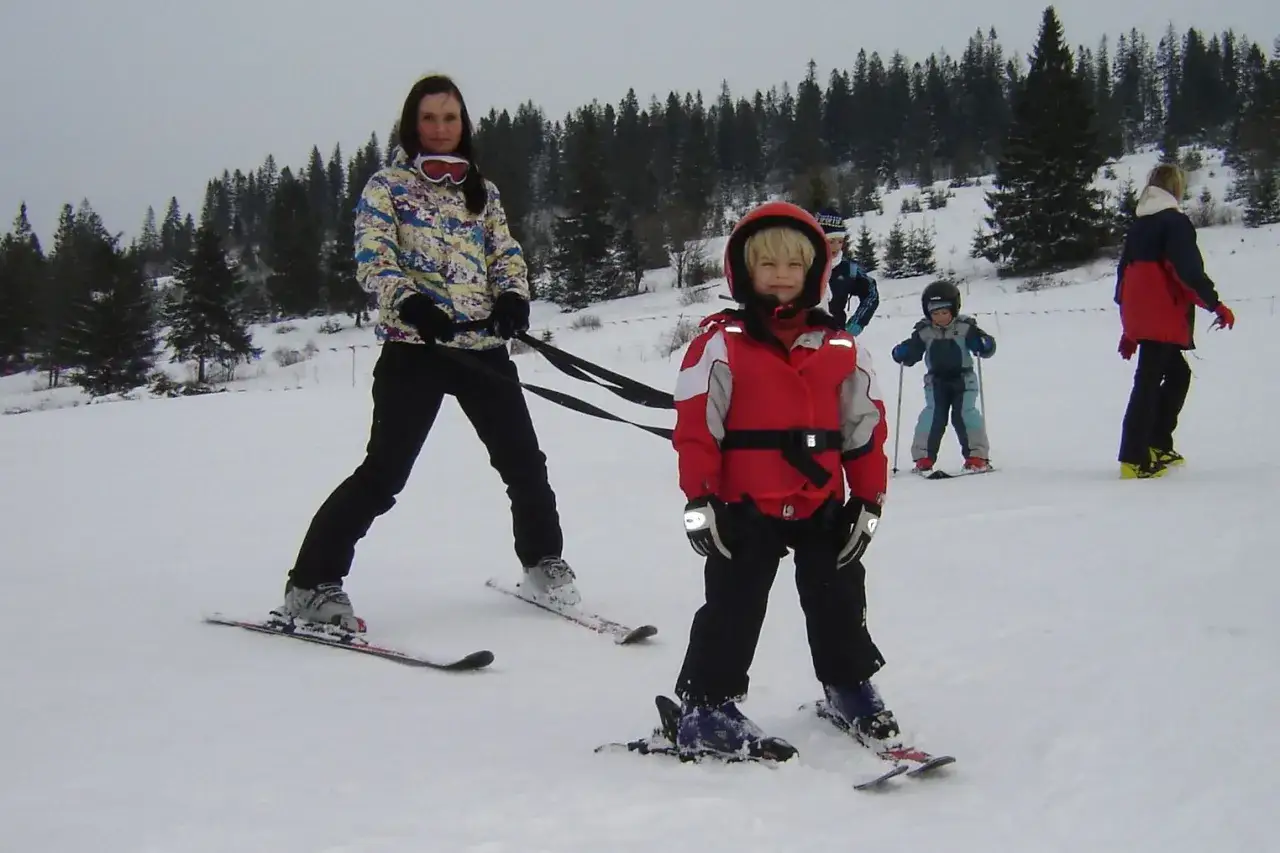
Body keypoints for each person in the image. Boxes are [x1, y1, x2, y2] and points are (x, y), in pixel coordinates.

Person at [275, 74, 579, 632]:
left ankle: (542, 561)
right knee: (383, 474)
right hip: (414, 349)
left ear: (464, 125)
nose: (441, 128)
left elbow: (505, 252)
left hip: (482, 348)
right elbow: (373, 256)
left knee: (523, 464)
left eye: (451, 118)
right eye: (430, 118)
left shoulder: (481, 191)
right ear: (413, 124)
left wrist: (513, 296)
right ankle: (310, 583)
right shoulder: (387, 187)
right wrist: (408, 302)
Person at [669, 200, 899, 759]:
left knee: (838, 595)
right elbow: (698, 425)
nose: (779, 277)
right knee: (734, 601)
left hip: (821, 501)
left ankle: (848, 687)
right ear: (743, 271)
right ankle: (706, 706)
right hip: (744, 504)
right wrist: (700, 501)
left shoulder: (842, 348)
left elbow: (864, 429)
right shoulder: (720, 343)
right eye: (766, 265)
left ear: (815, 272)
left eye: (793, 266)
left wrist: (867, 502)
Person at [1114, 163, 1235, 479]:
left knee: (1177, 374)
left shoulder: (1140, 225)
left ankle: (1156, 442)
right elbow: (1187, 271)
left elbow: (1123, 275)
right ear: (1175, 189)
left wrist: (1129, 327)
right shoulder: (1174, 223)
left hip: (1142, 312)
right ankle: (1135, 456)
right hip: (1163, 311)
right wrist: (1215, 304)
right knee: (1149, 380)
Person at [890, 281, 995, 474]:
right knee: (932, 416)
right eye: (935, 314)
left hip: (963, 380)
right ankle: (923, 458)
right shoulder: (925, 331)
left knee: (965, 414)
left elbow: (983, 346)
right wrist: (903, 353)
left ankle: (977, 457)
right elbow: (912, 351)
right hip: (936, 381)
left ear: (954, 310)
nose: (940, 318)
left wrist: (985, 345)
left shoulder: (964, 328)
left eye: (944, 313)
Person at [815, 208, 879, 335]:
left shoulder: (849, 269)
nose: (836, 247)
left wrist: (856, 324)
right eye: (830, 241)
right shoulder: (802, 265)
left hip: (836, 337)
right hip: (802, 339)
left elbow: (871, 293)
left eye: (840, 241)